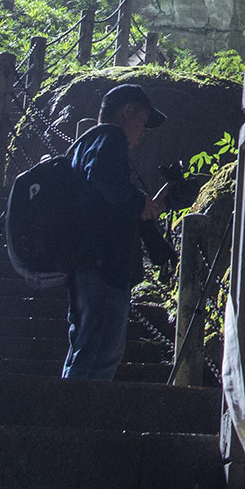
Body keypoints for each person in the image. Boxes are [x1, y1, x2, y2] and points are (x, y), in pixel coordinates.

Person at [63, 81, 169, 382]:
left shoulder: (83, 144)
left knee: (84, 349)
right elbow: (103, 178)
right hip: (104, 266)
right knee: (99, 354)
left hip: (85, 265)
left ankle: (62, 420)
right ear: (127, 111)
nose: (142, 133)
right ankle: (75, 425)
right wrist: (139, 202)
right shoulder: (109, 138)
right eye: (143, 122)